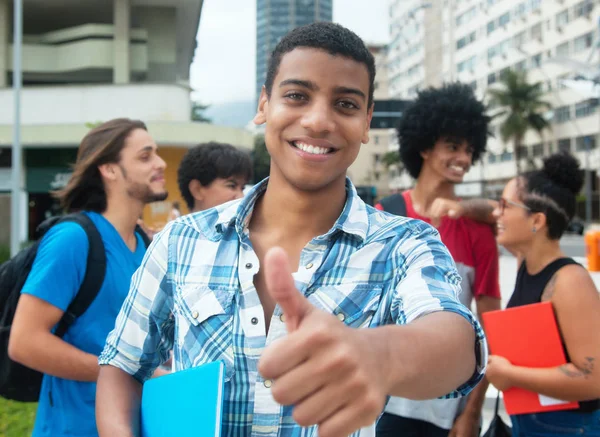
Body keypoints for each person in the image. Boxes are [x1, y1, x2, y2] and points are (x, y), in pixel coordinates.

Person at [96, 23, 487, 437]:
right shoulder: (180, 242)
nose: (318, 121)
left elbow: (458, 344)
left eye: (346, 104)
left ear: (367, 121)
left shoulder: (403, 245)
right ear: (264, 104)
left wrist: (382, 355)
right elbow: (123, 364)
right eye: (297, 96)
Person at [8, 118, 169, 437]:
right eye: (145, 155)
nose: (160, 163)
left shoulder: (145, 246)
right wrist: (121, 372)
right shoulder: (73, 239)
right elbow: (24, 342)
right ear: (109, 170)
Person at [375, 84, 501, 437]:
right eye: (452, 146)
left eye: (469, 149)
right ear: (426, 147)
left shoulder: (477, 231)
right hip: (382, 400)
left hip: (447, 407)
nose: (463, 157)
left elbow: (490, 328)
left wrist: (472, 412)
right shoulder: (386, 215)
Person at [484, 152, 600, 436]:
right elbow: (483, 211)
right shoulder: (528, 263)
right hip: (535, 422)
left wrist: (508, 375)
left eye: (504, 205)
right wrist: (456, 208)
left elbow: (593, 378)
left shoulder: (569, 282)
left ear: (536, 220)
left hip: (569, 428)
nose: (495, 213)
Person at [177, 142, 253, 213]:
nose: (241, 197)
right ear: (197, 190)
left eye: (242, 188)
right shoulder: (180, 227)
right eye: (232, 186)